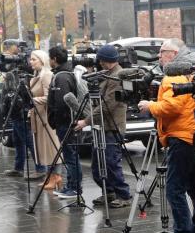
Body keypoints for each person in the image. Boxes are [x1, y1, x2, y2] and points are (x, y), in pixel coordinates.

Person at [138, 38, 195, 233]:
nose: (159, 57)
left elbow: (171, 107)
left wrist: (150, 105)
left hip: (181, 137)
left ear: (174, 53)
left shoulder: (173, 75)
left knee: (175, 189)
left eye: (162, 52)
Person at [75, 44, 131, 209]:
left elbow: (107, 105)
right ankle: (109, 192)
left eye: (100, 59)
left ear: (105, 60)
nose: (98, 62)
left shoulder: (117, 76)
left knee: (111, 162)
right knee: (98, 164)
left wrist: (85, 121)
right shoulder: (107, 74)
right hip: (102, 126)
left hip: (112, 127)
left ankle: (123, 195)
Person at [0, 40, 40, 179]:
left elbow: (30, 73)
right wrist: (4, 61)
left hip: (21, 104)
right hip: (14, 104)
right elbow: (1, 66)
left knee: (27, 138)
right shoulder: (14, 63)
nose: (8, 51)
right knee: (17, 139)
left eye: (10, 48)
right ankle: (18, 167)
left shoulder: (28, 61)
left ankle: (40, 168)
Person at [47, 45, 83, 200]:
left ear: (54, 59)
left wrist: (56, 120)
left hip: (66, 123)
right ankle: (72, 186)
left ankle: (74, 188)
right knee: (70, 155)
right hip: (66, 122)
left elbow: (63, 102)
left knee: (70, 156)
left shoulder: (62, 76)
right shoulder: (65, 73)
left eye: (50, 58)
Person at [27, 50, 62, 191]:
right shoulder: (37, 75)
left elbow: (49, 97)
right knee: (44, 148)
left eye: (34, 59)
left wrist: (32, 100)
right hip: (39, 116)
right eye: (30, 59)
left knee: (51, 148)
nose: (31, 62)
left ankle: (56, 177)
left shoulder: (46, 75)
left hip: (46, 117)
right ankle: (50, 177)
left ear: (42, 60)